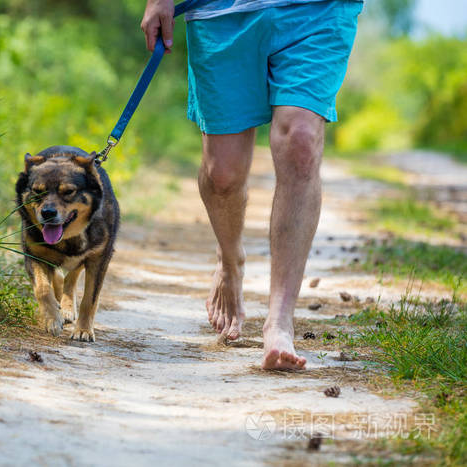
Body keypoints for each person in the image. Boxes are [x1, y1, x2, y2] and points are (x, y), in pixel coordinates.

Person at [140, 0, 363, 370]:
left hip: (317, 10)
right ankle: (230, 263)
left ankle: (280, 322)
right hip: (222, 13)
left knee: (301, 141)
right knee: (221, 175)